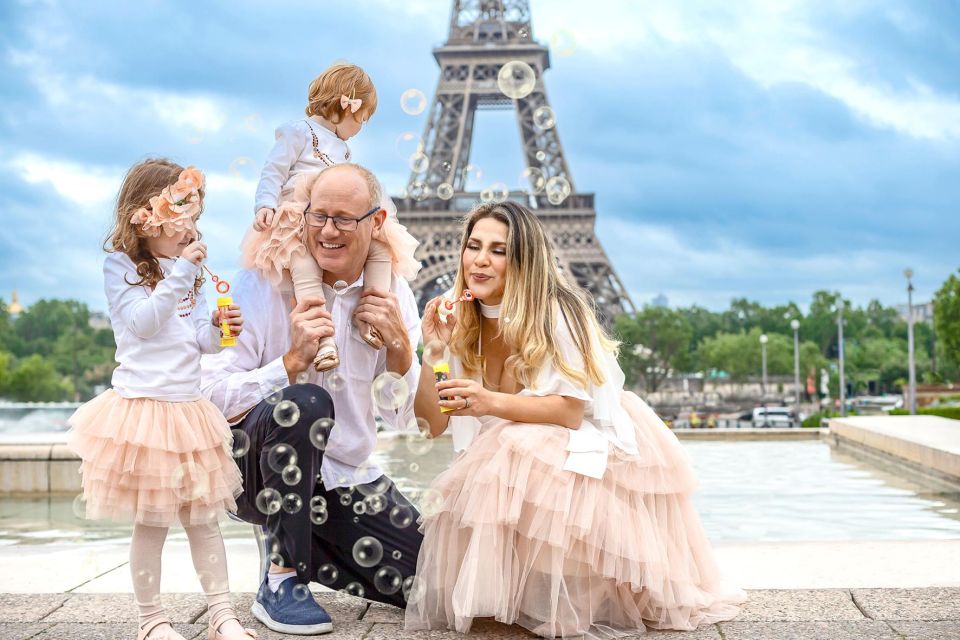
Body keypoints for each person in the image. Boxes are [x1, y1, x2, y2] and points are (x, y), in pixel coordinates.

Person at [406, 201, 745, 638]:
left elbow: (567, 410)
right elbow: (431, 424)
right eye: (473, 246)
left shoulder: (558, 310)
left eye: (498, 250)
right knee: (501, 450)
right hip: (514, 452)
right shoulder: (460, 317)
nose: (480, 260)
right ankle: (531, 593)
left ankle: (567, 592)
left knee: (513, 445)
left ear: (524, 259)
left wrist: (488, 401)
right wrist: (432, 350)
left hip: (580, 442)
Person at [202, 163, 424, 636]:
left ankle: (307, 539)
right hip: (255, 467)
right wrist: (288, 362)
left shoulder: (392, 294)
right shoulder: (260, 284)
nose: (328, 230)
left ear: (376, 222)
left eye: (344, 218)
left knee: (431, 581)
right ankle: (282, 575)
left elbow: (403, 419)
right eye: (318, 215)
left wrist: (401, 349)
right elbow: (206, 395)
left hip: (347, 477)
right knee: (303, 403)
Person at [67, 159, 253, 640]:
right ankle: (151, 620)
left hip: (188, 409)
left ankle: (221, 615)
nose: (189, 227)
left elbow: (196, 341)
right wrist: (180, 274)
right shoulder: (122, 267)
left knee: (203, 520)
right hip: (144, 410)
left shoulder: (188, 272)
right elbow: (145, 323)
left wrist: (219, 333)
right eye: (179, 214)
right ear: (144, 216)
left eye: (194, 215)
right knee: (151, 523)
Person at [240, 62, 419, 371]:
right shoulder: (298, 131)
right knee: (303, 263)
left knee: (380, 250)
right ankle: (323, 338)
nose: (361, 126)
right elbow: (273, 171)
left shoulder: (343, 150)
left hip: (333, 215)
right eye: (363, 119)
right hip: (299, 217)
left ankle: (372, 315)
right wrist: (265, 205)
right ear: (347, 106)